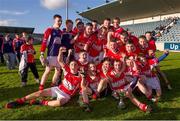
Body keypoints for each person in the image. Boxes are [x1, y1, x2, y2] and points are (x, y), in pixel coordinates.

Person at [5, 47, 85, 108]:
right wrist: (60, 52)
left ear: (78, 66)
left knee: (60, 103)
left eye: (75, 65)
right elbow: (60, 61)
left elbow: (82, 87)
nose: (73, 66)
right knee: (39, 92)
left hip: (66, 95)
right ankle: (20, 101)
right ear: (69, 66)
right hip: (59, 89)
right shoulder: (67, 70)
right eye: (72, 64)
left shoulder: (81, 75)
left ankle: (42, 102)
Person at [39, 14, 63, 90]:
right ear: (54, 20)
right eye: (58, 21)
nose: (60, 22)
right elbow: (44, 42)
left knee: (58, 71)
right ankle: (41, 87)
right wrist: (42, 53)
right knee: (48, 71)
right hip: (51, 55)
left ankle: (52, 85)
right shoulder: (49, 30)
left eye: (61, 21)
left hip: (58, 55)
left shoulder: (60, 32)